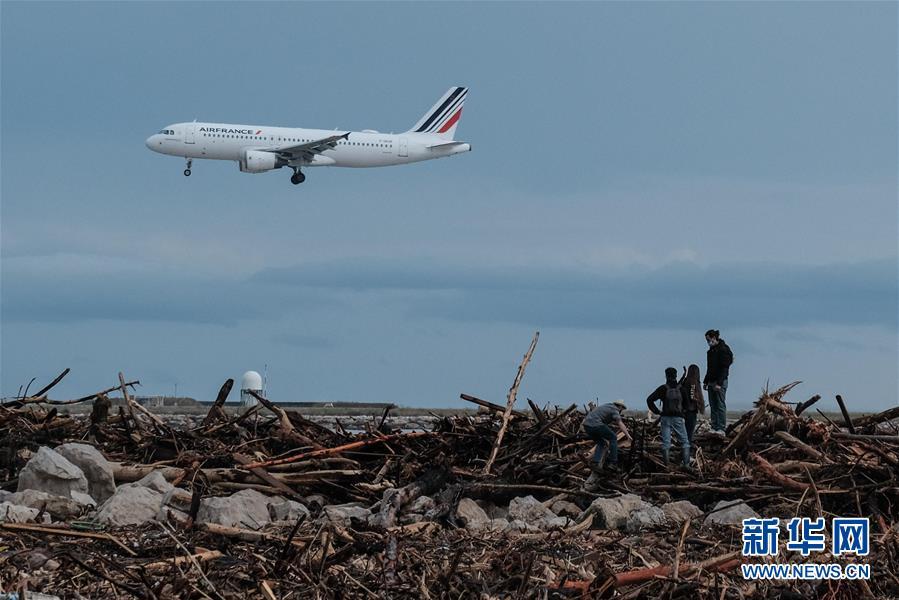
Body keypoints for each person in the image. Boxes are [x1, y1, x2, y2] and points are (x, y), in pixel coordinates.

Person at [646, 367, 690, 467]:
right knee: (685, 442)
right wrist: (682, 413)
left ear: (666, 376)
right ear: (676, 375)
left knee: (666, 443)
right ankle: (686, 465)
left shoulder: (663, 388)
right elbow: (687, 405)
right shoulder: (681, 389)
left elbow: (649, 399)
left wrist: (657, 412)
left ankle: (666, 466)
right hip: (678, 418)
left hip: (665, 418)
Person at [582, 400, 631, 473]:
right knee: (613, 437)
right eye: (622, 408)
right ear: (620, 406)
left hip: (587, 426)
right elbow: (620, 423)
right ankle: (613, 463)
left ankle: (595, 462)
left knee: (601, 443)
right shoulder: (615, 410)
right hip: (596, 424)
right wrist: (628, 435)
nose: (621, 410)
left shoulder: (607, 405)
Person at [703, 329, 733, 436]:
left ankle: (721, 428)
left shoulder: (723, 349)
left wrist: (719, 383)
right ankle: (714, 426)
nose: (708, 342)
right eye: (707, 340)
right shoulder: (711, 352)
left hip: (720, 381)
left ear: (714, 338)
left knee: (720, 404)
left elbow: (725, 368)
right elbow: (709, 368)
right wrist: (706, 381)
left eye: (709, 340)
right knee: (713, 405)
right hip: (711, 381)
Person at [679, 364, 705, 447]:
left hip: (684, 409)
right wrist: (698, 402)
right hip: (691, 410)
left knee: (685, 432)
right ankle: (687, 450)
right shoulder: (693, 383)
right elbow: (692, 396)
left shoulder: (685, 381)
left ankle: (684, 449)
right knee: (689, 433)